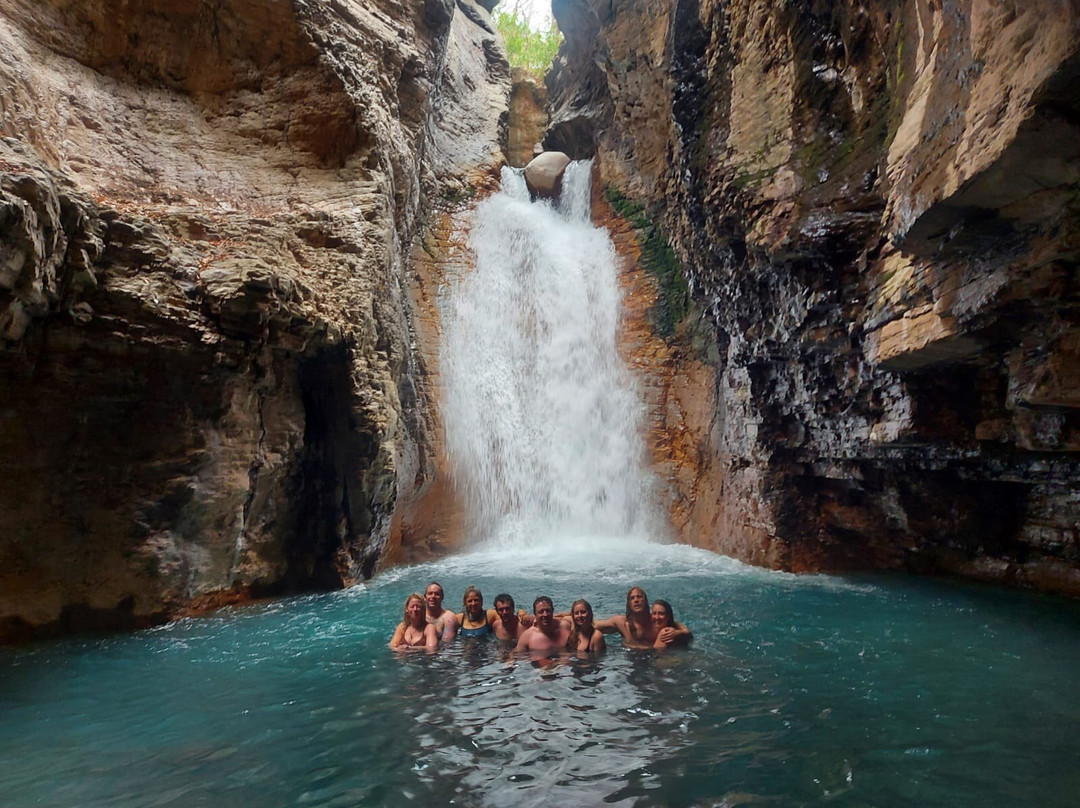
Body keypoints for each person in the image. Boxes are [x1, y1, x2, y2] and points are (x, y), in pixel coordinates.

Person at [595, 586, 692, 649]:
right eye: (632, 598)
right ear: (628, 604)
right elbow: (593, 625)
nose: (636, 600)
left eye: (639, 597)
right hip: (629, 659)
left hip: (655, 658)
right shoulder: (621, 623)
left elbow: (687, 632)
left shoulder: (657, 619)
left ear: (646, 601)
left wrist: (678, 633)